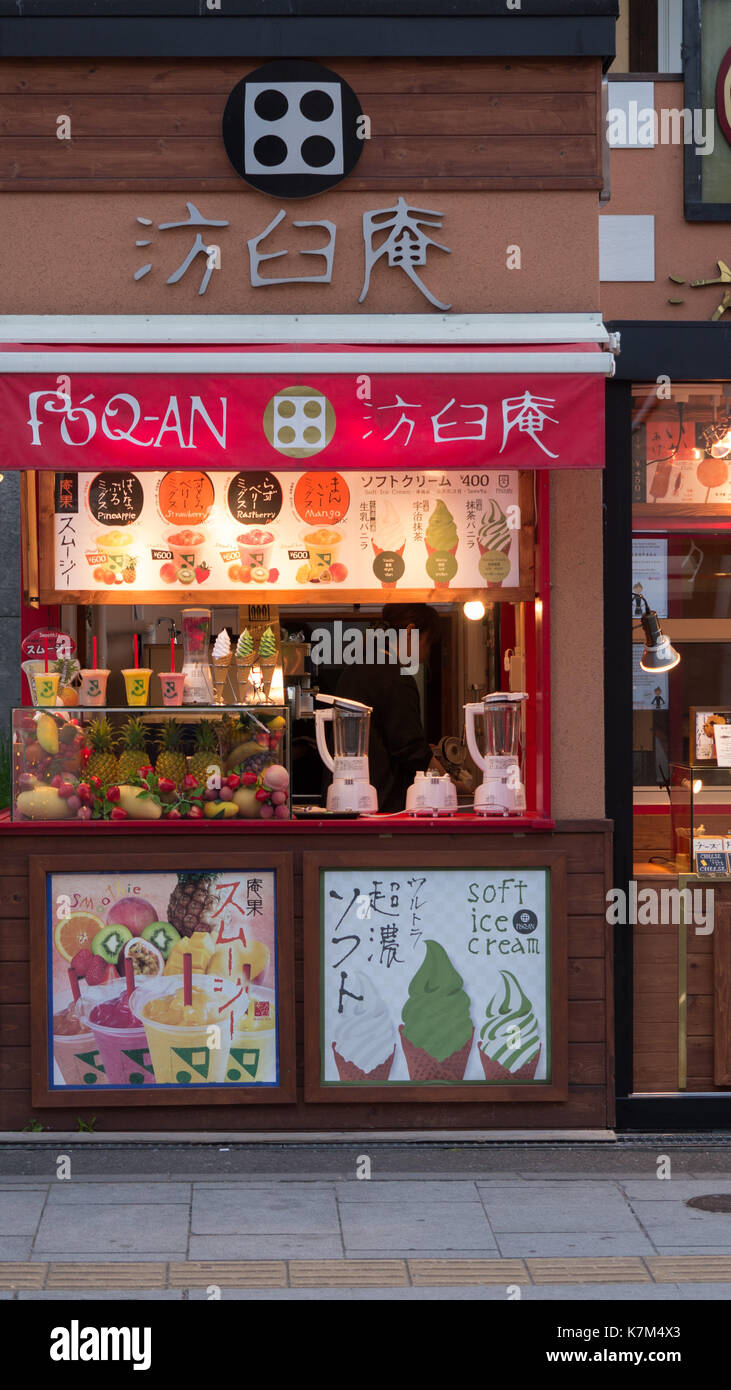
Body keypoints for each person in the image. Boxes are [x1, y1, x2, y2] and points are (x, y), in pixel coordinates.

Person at [335, 603, 441, 812]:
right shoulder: (396, 678)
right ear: (410, 632)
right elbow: (411, 749)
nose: (425, 655)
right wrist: (450, 782)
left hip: (344, 799)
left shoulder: (353, 671)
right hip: (381, 804)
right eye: (428, 644)